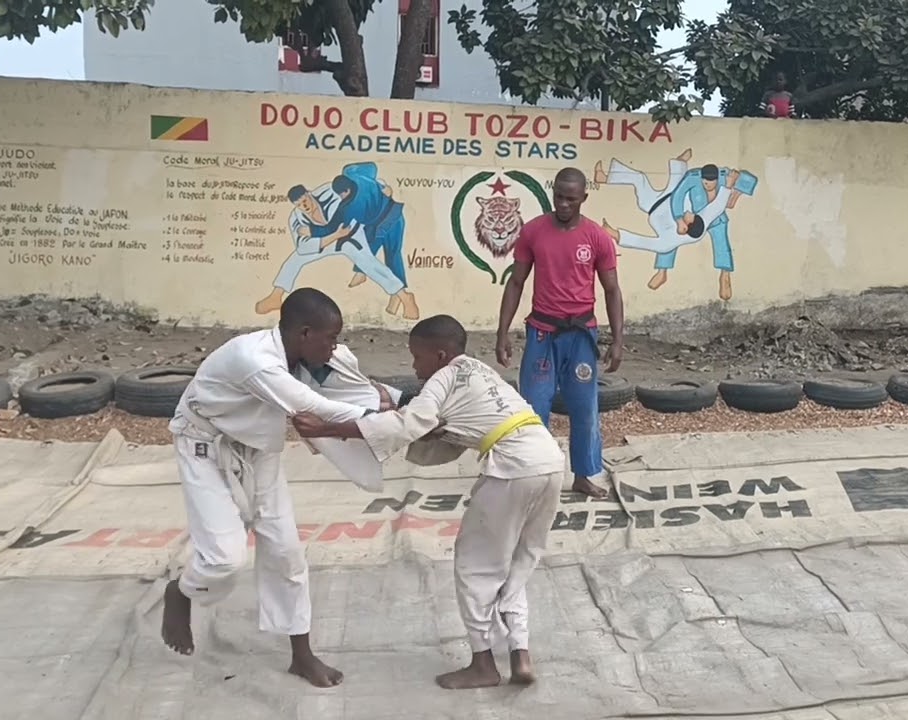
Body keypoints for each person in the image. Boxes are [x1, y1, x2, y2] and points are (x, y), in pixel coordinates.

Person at [291, 314, 566, 689]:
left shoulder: (443, 376)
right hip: (550, 461)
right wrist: (395, 408)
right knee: (520, 560)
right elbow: (440, 425)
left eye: (416, 357)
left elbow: (409, 425)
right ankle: (520, 653)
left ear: (439, 355)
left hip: (513, 468)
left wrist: (327, 428)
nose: (414, 366)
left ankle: (483, 664)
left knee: (475, 566)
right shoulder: (481, 373)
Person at [160, 287, 394, 688]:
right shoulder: (256, 361)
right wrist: (392, 424)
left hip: (259, 451)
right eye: (329, 338)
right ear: (304, 333)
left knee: (287, 552)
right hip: (204, 447)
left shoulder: (308, 354)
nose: (334, 346)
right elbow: (316, 408)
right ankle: (181, 593)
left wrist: (395, 403)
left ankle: (301, 656)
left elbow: (351, 384)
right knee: (223, 560)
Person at [495, 166, 624, 500]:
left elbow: (612, 290)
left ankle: (583, 475)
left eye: (571, 199)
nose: (564, 204)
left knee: (584, 409)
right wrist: (502, 332)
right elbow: (516, 282)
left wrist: (618, 341)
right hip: (541, 333)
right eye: (558, 197)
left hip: (581, 336)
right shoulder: (533, 232)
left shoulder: (597, 238)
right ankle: (535, 479)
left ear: (584, 197)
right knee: (534, 408)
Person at [254, 182, 418, 318]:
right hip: (328, 241)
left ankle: (405, 297)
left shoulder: (329, 191)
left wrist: (382, 187)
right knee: (295, 258)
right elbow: (303, 247)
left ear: (309, 193)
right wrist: (333, 236)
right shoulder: (296, 218)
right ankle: (276, 296)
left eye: (306, 200)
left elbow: (358, 186)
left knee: (369, 264)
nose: (305, 206)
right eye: (299, 205)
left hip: (351, 236)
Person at [594, 150, 743, 289]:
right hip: (669, 196)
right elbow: (717, 207)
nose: (690, 212)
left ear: (685, 227)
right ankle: (604, 178)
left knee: (639, 178)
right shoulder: (702, 220)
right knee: (676, 184)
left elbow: (643, 242)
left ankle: (605, 178)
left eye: (689, 216)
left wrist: (613, 233)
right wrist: (729, 185)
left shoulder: (669, 241)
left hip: (652, 203)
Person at [331, 163, 417, 319]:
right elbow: (373, 170)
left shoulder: (356, 192)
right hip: (381, 222)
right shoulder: (367, 182)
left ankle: (393, 292)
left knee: (389, 254)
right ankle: (393, 293)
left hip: (390, 219)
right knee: (383, 252)